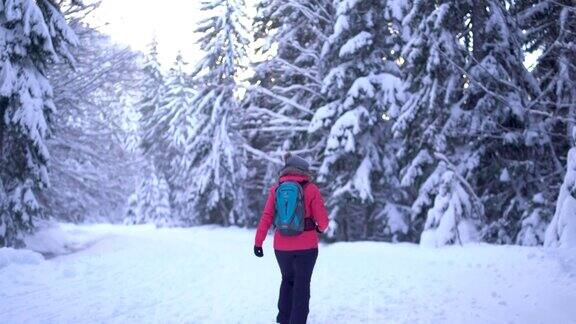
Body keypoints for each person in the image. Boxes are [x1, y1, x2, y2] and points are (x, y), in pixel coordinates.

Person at [253, 152, 329, 324]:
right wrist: (319, 228)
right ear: (304, 171)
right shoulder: (311, 189)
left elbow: (266, 216)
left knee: (287, 280)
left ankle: (283, 319)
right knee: (302, 284)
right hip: (307, 247)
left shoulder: (276, 189)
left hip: (281, 247)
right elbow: (323, 221)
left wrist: (258, 242)